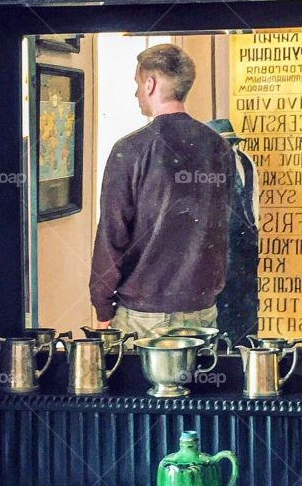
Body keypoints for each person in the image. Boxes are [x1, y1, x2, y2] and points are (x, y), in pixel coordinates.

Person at [90, 43, 235, 337]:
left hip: (144, 316)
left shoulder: (130, 150)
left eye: (137, 84)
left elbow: (111, 234)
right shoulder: (218, 147)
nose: (135, 93)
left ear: (150, 83)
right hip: (203, 310)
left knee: (136, 385)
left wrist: (102, 306)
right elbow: (223, 227)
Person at [207, 118, 259, 345]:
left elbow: (253, 200)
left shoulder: (247, 162)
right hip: (215, 245)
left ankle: (245, 356)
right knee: (219, 309)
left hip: (245, 244)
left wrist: (253, 229)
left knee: (245, 306)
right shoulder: (204, 166)